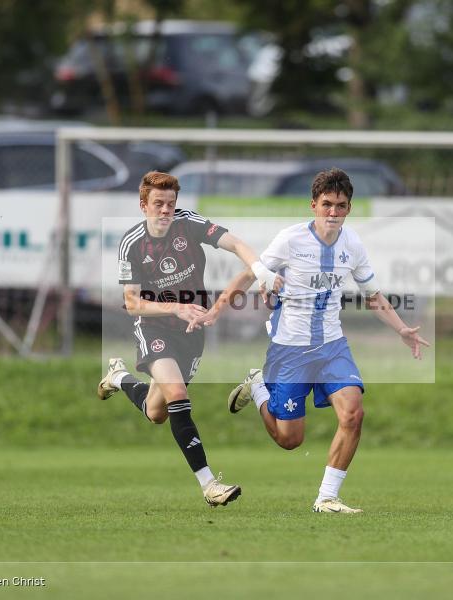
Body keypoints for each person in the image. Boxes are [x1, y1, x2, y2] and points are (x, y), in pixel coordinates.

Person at [192, 168, 430, 513]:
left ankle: (327, 498)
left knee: (353, 415)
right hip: (290, 350)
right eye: (327, 205)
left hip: (333, 347)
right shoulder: (290, 240)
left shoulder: (353, 245)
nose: (333, 212)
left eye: (341, 205)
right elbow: (247, 274)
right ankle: (258, 386)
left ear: (349, 208)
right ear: (313, 205)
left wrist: (402, 329)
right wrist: (215, 311)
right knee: (290, 440)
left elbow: (373, 295)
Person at [96, 171, 278, 507]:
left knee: (157, 412)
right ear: (143, 205)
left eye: (171, 204)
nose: (165, 211)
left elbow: (236, 243)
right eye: (158, 204)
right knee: (177, 393)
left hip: (192, 330)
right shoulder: (132, 243)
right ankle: (209, 485)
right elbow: (133, 302)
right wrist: (176, 308)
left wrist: (261, 270)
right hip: (153, 327)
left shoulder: (188, 223)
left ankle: (119, 378)